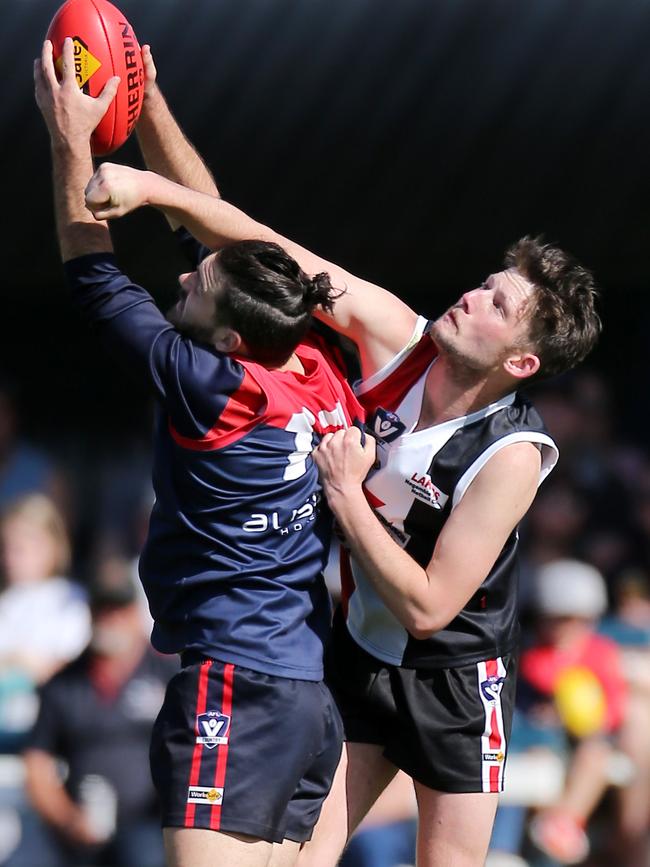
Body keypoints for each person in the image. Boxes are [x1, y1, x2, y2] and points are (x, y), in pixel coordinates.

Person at [81, 47, 601, 867]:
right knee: (303, 858)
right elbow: (264, 246)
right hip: (358, 653)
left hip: (455, 679)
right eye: (487, 280)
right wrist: (148, 119)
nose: (471, 293)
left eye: (497, 302)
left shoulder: (511, 455)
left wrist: (348, 494)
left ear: (521, 362)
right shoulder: (399, 333)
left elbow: (430, 607)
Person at [34, 38, 363, 867]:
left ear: (225, 338)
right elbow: (207, 226)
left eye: (195, 289)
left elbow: (93, 275)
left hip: (235, 686)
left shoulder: (211, 390)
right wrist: (146, 106)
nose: (182, 279)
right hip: (303, 698)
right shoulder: (315, 368)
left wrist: (69, 133)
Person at [10, 573, 177, 867]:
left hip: (150, 821)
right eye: (103, 609)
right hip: (78, 824)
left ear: (134, 613)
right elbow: (36, 761)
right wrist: (67, 819)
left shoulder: (166, 674)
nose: (111, 619)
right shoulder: (64, 684)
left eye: (119, 609)